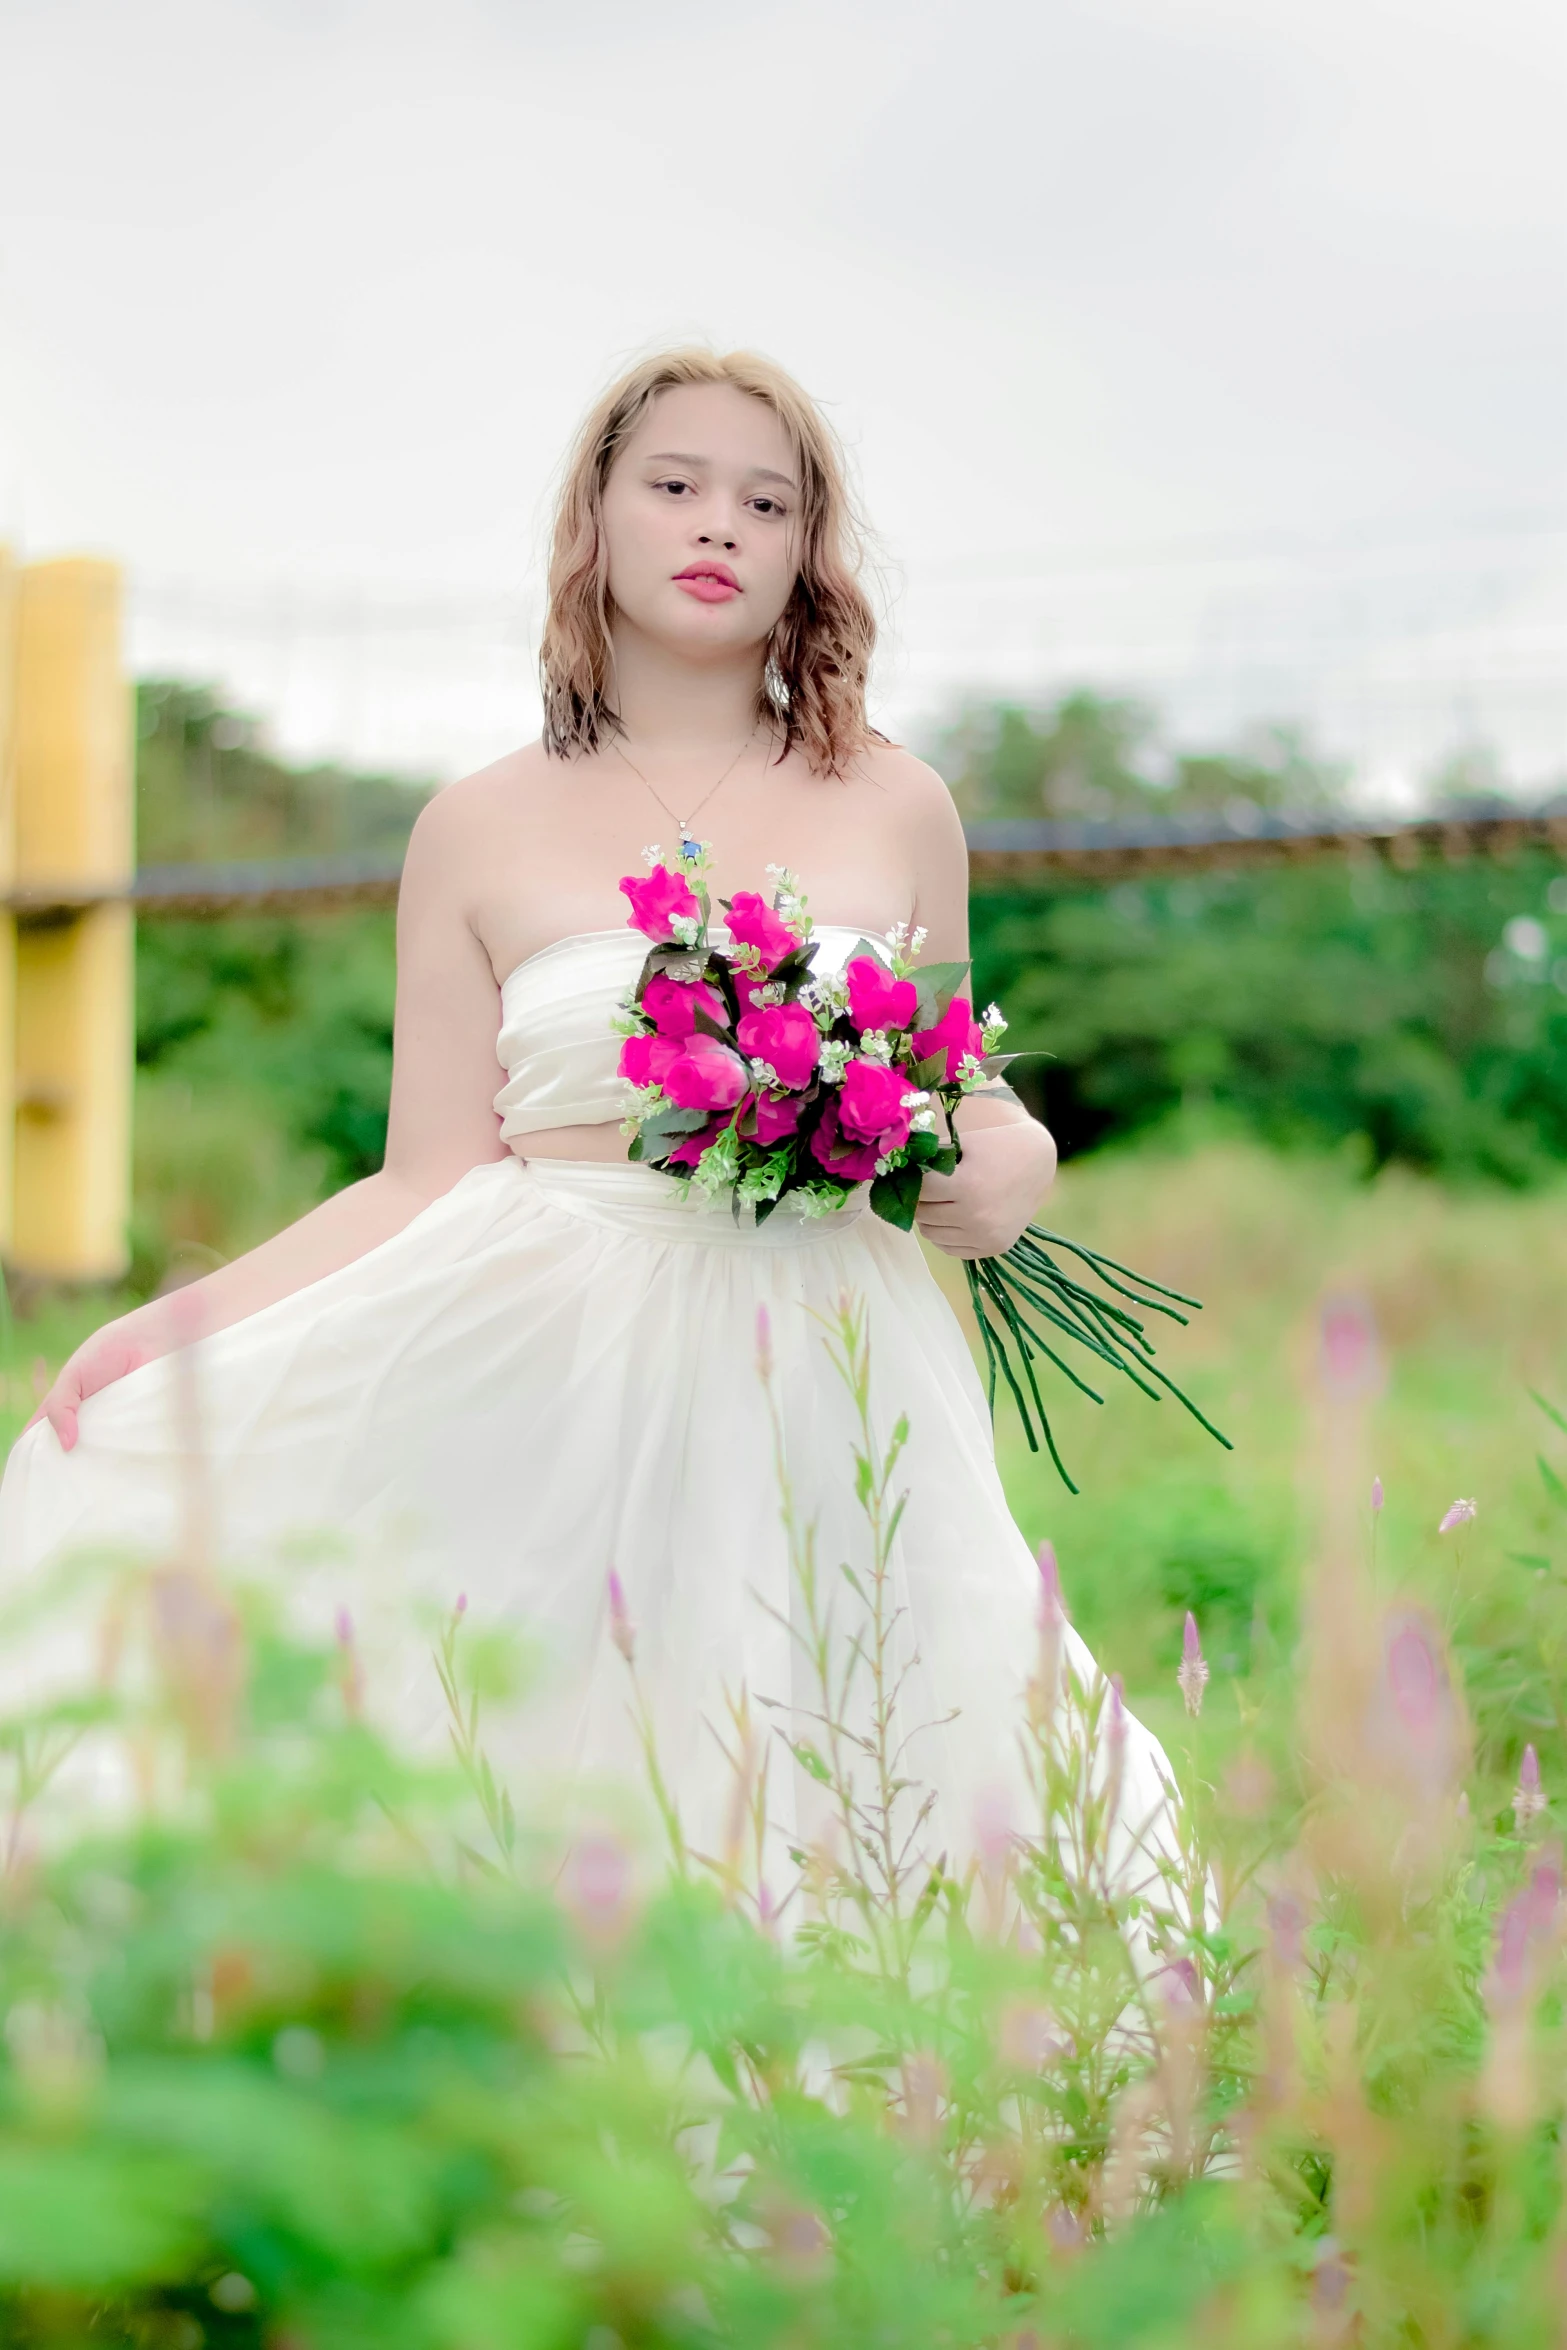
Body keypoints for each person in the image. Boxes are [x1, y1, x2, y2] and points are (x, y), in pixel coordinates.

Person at [1, 349, 1190, 1916]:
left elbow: (963, 1083)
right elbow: (428, 1169)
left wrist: (1011, 1165)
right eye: (676, 485)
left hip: (827, 1344)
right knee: (552, 1747)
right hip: (549, 1349)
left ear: (805, 555)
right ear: (599, 522)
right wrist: (188, 1320)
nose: (719, 525)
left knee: (850, 1743)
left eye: (766, 502)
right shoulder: (476, 824)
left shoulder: (896, 804)